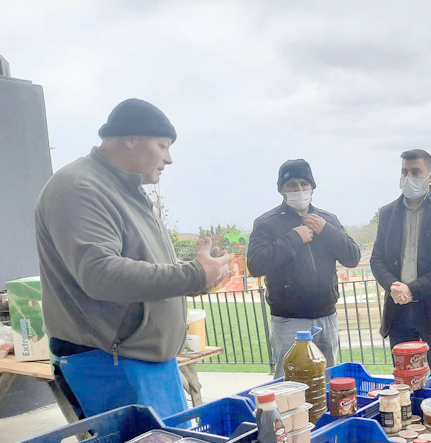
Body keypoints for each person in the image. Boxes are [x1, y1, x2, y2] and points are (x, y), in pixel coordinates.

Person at [36, 98, 230, 417]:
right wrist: (193, 274)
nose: (169, 158)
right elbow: (101, 275)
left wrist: (200, 275)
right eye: (163, 145)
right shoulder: (79, 187)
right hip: (111, 363)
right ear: (129, 139)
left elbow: (141, 266)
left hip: (142, 359)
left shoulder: (123, 188)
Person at [247, 159, 360, 378]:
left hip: (327, 316)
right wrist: (293, 239)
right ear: (282, 190)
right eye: (292, 185)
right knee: (289, 383)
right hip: (289, 320)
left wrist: (326, 230)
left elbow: (352, 257)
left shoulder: (328, 220)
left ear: (312, 187)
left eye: (304, 184)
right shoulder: (267, 223)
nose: (299, 190)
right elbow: (256, 264)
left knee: (327, 382)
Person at [371, 149, 431, 370]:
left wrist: (413, 289)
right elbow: (377, 259)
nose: (408, 177)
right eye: (404, 172)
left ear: (430, 176)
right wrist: (394, 286)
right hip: (398, 312)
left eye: (416, 172)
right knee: (404, 383)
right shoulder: (387, 214)